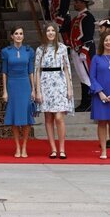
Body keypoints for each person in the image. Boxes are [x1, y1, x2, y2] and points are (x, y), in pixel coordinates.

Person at [35, 22, 74, 159]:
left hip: (60, 83)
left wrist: (69, 88)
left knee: (59, 117)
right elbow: (37, 71)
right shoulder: (40, 49)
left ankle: (62, 148)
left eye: (53, 30)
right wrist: (38, 91)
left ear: (56, 33)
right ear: (45, 33)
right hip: (45, 83)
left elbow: (67, 68)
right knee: (48, 117)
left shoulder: (63, 48)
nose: (50, 33)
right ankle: (53, 149)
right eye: (48, 31)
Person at [1, 26, 35, 158]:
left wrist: (33, 89)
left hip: (25, 85)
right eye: (16, 33)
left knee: (26, 118)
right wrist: (5, 91)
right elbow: (4, 72)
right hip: (12, 85)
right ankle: (17, 146)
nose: (19, 36)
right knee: (15, 117)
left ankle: (25, 146)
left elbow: (31, 71)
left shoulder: (29, 50)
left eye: (21, 33)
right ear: (12, 36)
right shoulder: (6, 51)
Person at [70, 0, 96, 112]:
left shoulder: (88, 17)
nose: (75, 4)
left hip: (84, 52)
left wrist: (84, 51)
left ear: (83, 3)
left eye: (77, 2)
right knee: (82, 77)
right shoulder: (77, 17)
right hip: (76, 50)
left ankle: (89, 102)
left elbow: (89, 36)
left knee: (87, 76)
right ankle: (85, 102)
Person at [90, 32, 110, 159]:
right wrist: (101, 93)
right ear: (102, 42)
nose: (108, 42)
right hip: (99, 95)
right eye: (106, 40)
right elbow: (92, 77)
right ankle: (103, 150)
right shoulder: (96, 58)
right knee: (102, 123)